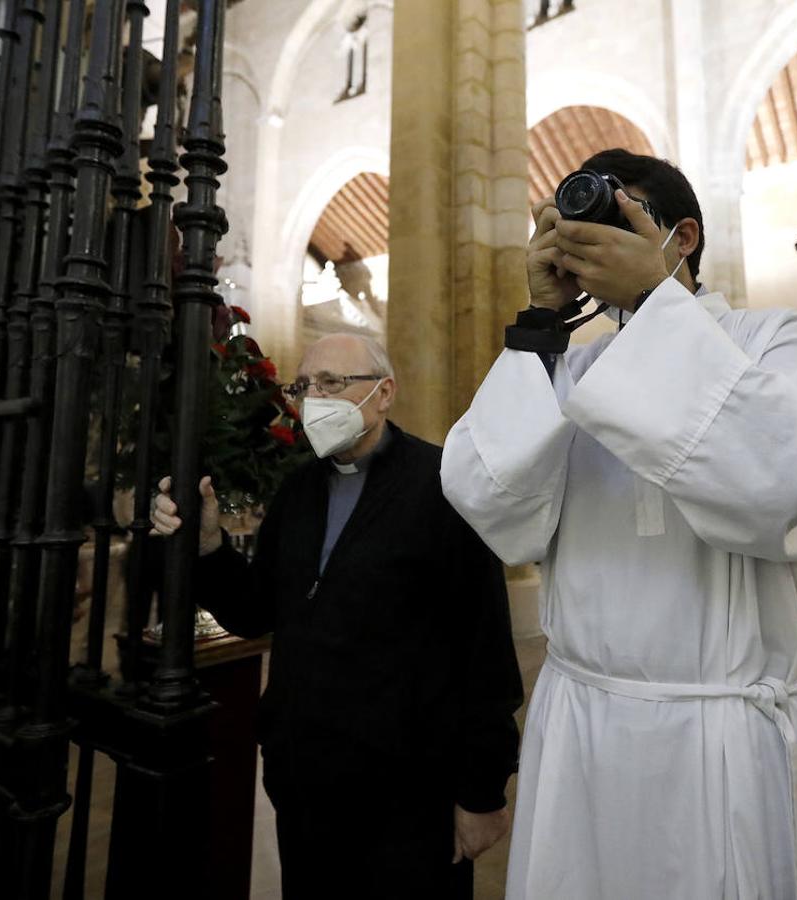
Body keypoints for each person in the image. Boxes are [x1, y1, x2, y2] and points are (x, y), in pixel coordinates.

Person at [442, 149, 797, 899]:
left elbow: (775, 485)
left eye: (623, 218)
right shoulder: (567, 370)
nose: (594, 239)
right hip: (582, 727)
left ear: (683, 237)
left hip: (721, 736)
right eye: (580, 223)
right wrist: (541, 324)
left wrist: (650, 302)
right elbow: (492, 507)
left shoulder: (773, 339)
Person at [151, 333, 523, 898]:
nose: (312, 400)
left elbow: (485, 650)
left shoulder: (443, 486)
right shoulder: (298, 489)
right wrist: (209, 545)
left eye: (331, 383)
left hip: (407, 795)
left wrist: (482, 793)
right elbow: (256, 610)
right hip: (305, 785)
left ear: (383, 394)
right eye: (304, 386)